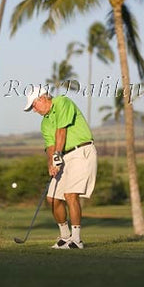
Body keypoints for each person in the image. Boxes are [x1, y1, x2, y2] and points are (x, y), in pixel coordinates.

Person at [24, 85, 97, 249]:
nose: (34, 110)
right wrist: (51, 163)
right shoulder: (44, 123)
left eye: (34, 105)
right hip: (63, 156)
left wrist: (57, 155)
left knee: (70, 195)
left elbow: (61, 132)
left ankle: (76, 240)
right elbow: (50, 146)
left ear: (42, 98)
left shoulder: (62, 102)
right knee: (53, 199)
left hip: (81, 151)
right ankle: (65, 237)